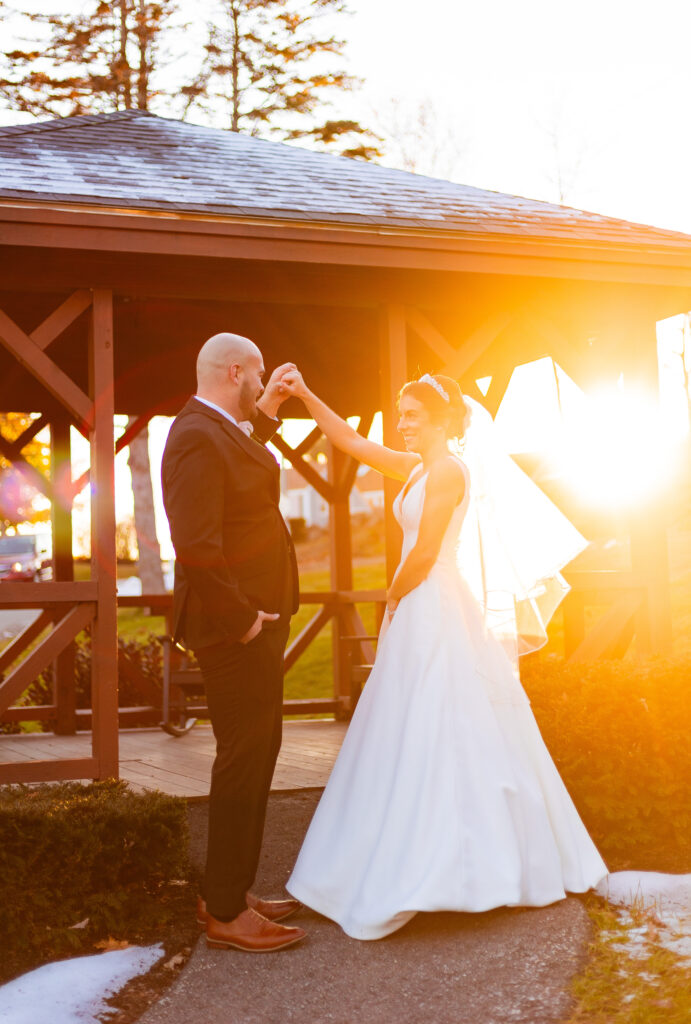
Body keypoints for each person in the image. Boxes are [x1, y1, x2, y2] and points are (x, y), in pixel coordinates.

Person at [281, 369, 608, 941]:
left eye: (411, 415)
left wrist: (391, 598)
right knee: (408, 724)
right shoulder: (417, 468)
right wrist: (308, 396)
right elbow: (355, 444)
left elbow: (427, 549)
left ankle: (467, 870)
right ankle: (398, 855)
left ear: (441, 419)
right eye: (400, 414)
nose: (401, 424)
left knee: (449, 721)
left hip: (434, 601)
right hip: (422, 603)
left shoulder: (451, 470)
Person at [161, 333, 306, 953]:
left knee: (257, 753)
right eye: (260, 375)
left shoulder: (218, 429)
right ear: (235, 371)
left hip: (253, 625)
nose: (263, 381)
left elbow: (244, 468)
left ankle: (231, 888)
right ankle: (224, 910)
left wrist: (268, 411)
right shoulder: (194, 433)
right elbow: (196, 544)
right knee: (244, 757)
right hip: (236, 630)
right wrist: (244, 619)